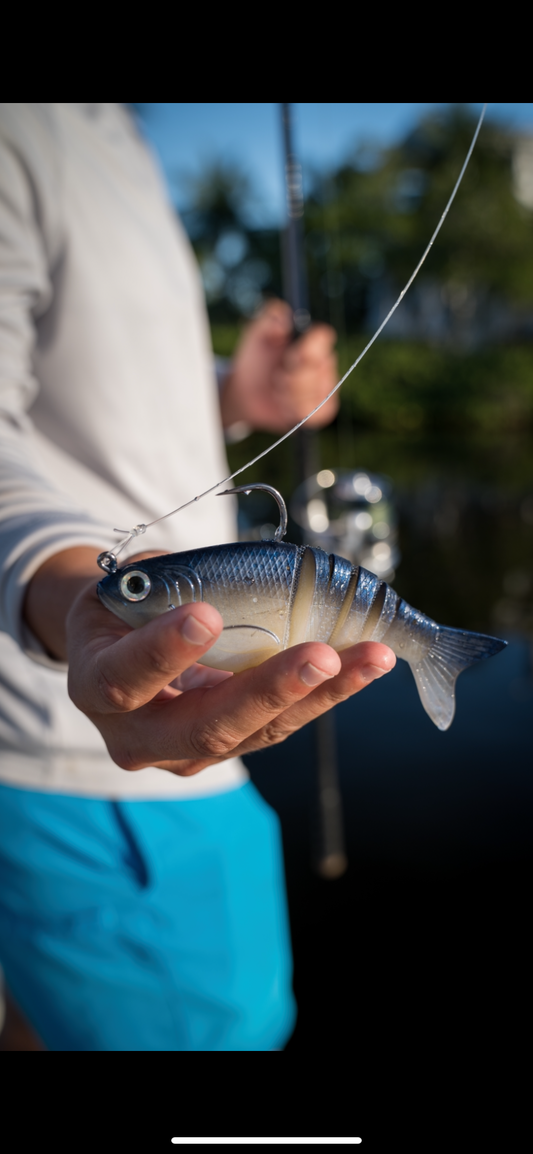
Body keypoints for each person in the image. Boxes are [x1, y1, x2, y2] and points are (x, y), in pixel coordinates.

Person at [0, 104, 395, 1051]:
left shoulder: (116, 136)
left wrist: (230, 397)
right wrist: (75, 605)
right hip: (82, 767)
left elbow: (81, 409)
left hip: (145, 768)